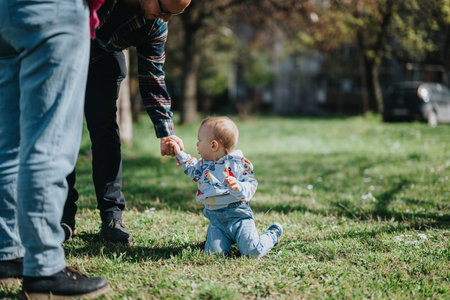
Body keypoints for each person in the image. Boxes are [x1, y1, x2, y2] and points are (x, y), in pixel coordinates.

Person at [0, 0, 110, 298]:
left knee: (9, 144)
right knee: (49, 143)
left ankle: (8, 256)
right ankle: (44, 269)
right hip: (52, 11)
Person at [60, 0, 190, 245]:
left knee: (105, 133)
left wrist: (165, 131)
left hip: (103, 61)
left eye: (172, 15)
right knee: (63, 132)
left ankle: (112, 218)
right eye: (163, 10)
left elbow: (153, 76)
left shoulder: (156, 26)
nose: (164, 18)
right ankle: (63, 217)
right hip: (66, 51)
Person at [167, 117, 283, 257]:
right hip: (217, 221)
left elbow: (251, 184)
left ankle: (272, 234)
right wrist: (179, 153)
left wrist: (239, 187)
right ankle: (226, 239)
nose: (196, 144)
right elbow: (191, 167)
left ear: (214, 145)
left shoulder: (238, 163)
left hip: (239, 217)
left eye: (199, 140)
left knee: (252, 252)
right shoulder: (203, 166)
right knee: (213, 254)